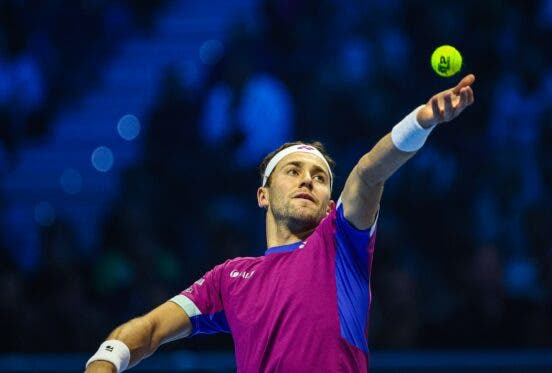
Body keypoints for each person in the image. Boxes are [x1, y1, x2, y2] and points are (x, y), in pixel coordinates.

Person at [85, 74, 475, 373]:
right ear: (263, 195)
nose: (308, 180)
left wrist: (421, 122)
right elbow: (149, 330)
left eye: (320, 178)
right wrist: (104, 362)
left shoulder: (340, 244)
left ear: (329, 208)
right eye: (293, 171)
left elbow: (368, 175)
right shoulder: (229, 278)